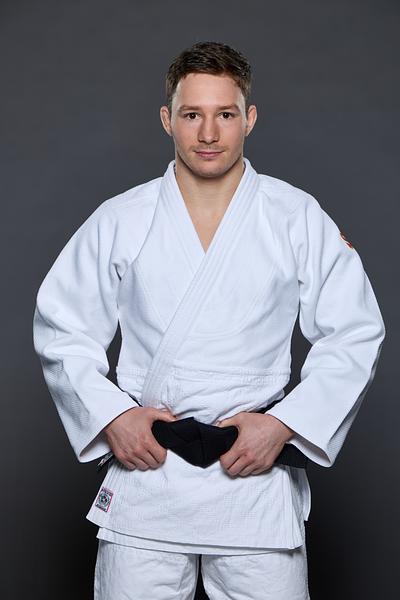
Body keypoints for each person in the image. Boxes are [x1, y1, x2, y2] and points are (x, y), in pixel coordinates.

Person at [32, 41, 385, 600]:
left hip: (254, 473)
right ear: (167, 119)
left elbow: (355, 331)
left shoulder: (295, 216)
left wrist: (285, 426)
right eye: (192, 115)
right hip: (149, 473)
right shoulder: (121, 218)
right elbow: (62, 326)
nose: (209, 133)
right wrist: (112, 417)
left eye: (225, 114)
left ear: (250, 118)